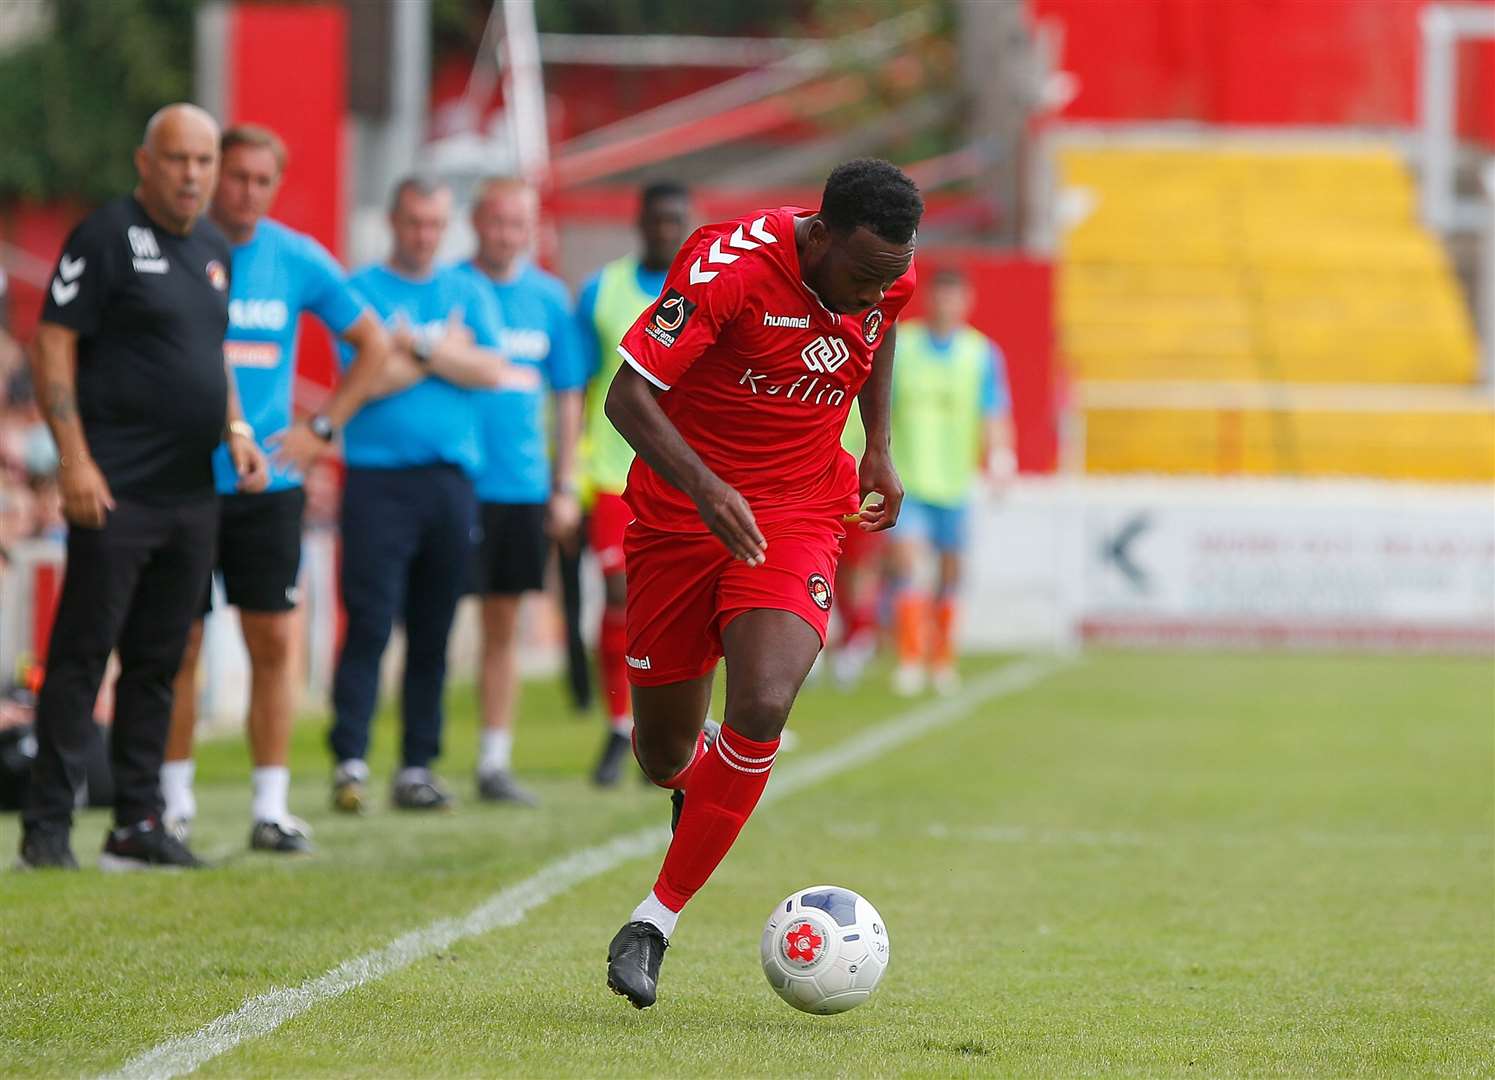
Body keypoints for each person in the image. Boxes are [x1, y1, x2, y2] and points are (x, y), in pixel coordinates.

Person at [599, 159, 923, 1007]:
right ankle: (700, 775)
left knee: (765, 701)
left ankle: (653, 921)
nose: (871, 295)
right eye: (857, 277)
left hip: (799, 511)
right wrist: (707, 487)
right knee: (661, 751)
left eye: (887, 279)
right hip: (680, 516)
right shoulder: (727, 270)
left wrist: (878, 444)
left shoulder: (884, 271)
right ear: (817, 238)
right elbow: (627, 398)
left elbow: (878, 327)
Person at [17, 103, 269, 871]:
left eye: (203, 161)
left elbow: (210, 355)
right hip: (115, 487)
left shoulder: (214, 252)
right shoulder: (104, 236)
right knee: (83, 656)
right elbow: (52, 341)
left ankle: (136, 820)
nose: (193, 174)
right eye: (178, 159)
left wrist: (236, 430)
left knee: (161, 661)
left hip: (192, 491)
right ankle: (48, 830)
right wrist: (74, 461)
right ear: (145, 162)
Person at [158, 124, 392, 853]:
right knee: (179, 645)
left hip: (269, 485)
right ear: (210, 176)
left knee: (272, 644)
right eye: (237, 177)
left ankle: (270, 806)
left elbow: (373, 345)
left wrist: (319, 431)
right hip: (184, 478)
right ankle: (171, 804)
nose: (248, 192)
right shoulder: (176, 248)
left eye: (263, 180)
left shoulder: (294, 257)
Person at [328, 176, 532, 814]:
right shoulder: (360, 288)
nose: (424, 235)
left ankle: (417, 764)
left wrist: (410, 344)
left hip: (449, 481)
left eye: (434, 225)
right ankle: (351, 758)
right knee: (368, 620)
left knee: (433, 628)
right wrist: (440, 349)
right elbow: (366, 378)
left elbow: (490, 369)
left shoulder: (465, 289)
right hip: (376, 477)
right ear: (393, 220)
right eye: (414, 222)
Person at [460, 177, 585, 805]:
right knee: (425, 621)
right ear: (476, 222)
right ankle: (405, 763)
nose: (506, 234)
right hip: (454, 480)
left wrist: (565, 485)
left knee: (503, 623)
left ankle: (493, 760)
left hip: (520, 485)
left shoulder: (548, 299)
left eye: (517, 224)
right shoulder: (454, 287)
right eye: (496, 221)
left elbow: (567, 398)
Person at [574, 180, 691, 786]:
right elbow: (576, 383)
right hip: (612, 475)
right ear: (640, 222)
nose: (667, 229)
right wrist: (566, 473)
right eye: (658, 219)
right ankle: (621, 725)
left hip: (686, 478)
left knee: (685, 606)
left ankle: (677, 728)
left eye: (678, 219)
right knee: (621, 596)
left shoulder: (705, 289)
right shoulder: (602, 290)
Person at [887, 267, 1013, 697]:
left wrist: (1000, 457)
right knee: (906, 564)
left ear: (966, 302)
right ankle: (909, 658)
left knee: (950, 572)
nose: (945, 305)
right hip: (909, 479)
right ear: (929, 300)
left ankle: (940, 656)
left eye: (953, 298)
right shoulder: (903, 345)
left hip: (955, 482)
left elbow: (994, 410)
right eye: (939, 297)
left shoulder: (981, 354)